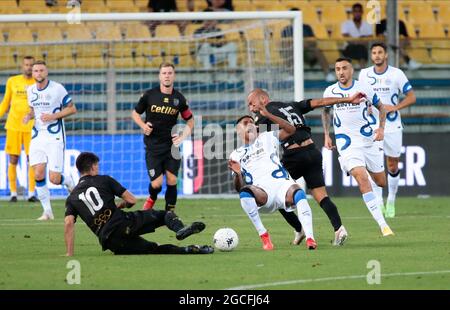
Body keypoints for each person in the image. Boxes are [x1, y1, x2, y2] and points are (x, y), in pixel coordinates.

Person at [250, 89, 367, 246]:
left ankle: (300, 229)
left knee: (276, 194)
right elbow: (320, 102)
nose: (251, 108)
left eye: (252, 103)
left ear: (263, 99)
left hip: (294, 155)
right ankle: (339, 229)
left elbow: (253, 139)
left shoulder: (264, 115)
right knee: (321, 196)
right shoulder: (292, 105)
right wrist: (348, 99)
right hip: (313, 152)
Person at [64, 152, 213, 256]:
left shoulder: (72, 197)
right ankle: (180, 229)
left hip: (111, 242)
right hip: (123, 223)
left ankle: (190, 250)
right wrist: (121, 205)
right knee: (165, 215)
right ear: (93, 167)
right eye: (97, 166)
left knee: (153, 249)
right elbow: (132, 200)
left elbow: (69, 223)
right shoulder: (104, 180)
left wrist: (69, 253)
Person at [321, 57, 394, 237]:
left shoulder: (364, 87)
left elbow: (382, 108)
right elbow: (325, 111)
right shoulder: (330, 91)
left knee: (381, 182)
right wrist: (326, 134)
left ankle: (368, 175)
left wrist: (381, 128)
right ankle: (383, 225)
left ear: (351, 70)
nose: (341, 72)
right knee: (361, 177)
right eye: (337, 69)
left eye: (344, 68)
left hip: (368, 141)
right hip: (347, 144)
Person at [229, 106, 317, 251]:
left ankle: (310, 238)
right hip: (263, 193)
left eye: (252, 121)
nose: (250, 124)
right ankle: (264, 236)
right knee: (244, 193)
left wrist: (268, 114)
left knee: (299, 193)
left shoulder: (267, 137)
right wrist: (238, 174)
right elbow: (238, 188)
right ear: (238, 131)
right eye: (245, 123)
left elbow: (291, 130)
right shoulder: (235, 155)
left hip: (283, 186)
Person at [359, 42, 416, 217]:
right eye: (374, 52)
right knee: (375, 165)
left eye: (380, 52)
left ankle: (391, 200)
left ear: (386, 56)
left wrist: (395, 107)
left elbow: (412, 97)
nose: (377, 55)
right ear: (371, 56)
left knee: (392, 165)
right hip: (372, 125)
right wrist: (365, 105)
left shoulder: (396, 74)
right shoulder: (364, 74)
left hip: (392, 126)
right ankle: (379, 202)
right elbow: (360, 95)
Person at [131, 62, 194, 212]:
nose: (167, 76)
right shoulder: (149, 96)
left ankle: (169, 212)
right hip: (153, 147)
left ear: (174, 76)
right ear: (159, 76)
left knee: (172, 180)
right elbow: (135, 114)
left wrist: (183, 137)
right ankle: (152, 197)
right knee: (157, 184)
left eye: (170, 73)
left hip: (172, 147)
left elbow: (190, 120)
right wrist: (143, 126)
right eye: (164, 73)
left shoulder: (179, 99)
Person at [22, 60, 76, 220]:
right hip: (37, 136)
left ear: (46, 72)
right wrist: (28, 116)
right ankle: (47, 211)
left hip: (55, 137)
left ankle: (68, 181)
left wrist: (53, 116)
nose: (39, 73)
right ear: (32, 74)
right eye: (36, 71)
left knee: (54, 178)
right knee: (38, 174)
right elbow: (33, 111)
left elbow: (72, 108)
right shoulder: (30, 90)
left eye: (41, 70)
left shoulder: (57, 88)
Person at [0, 56, 39, 203]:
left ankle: (30, 193)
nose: (29, 67)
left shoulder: (37, 83)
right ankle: (13, 193)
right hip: (14, 126)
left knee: (32, 160)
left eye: (31, 65)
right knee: (13, 159)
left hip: (31, 127)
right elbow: (5, 102)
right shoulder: (12, 81)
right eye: (26, 65)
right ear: (22, 66)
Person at [281, 8, 335, 82]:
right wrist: (299, 44)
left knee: (317, 50)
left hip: (307, 52)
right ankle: (291, 75)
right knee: (288, 51)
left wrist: (302, 44)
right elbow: (284, 45)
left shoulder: (307, 27)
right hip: (293, 53)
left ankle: (328, 74)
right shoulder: (286, 29)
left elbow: (313, 42)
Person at [341, 3, 373, 68]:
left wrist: (356, 40)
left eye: (359, 11)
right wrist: (361, 40)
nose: (357, 13)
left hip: (363, 49)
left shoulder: (367, 24)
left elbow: (370, 39)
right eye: (355, 11)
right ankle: (363, 70)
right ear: (352, 12)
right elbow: (347, 39)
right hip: (349, 49)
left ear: (362, 12)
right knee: (361, 49)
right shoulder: (346, 24)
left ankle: (362, 70)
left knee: (362, 49)